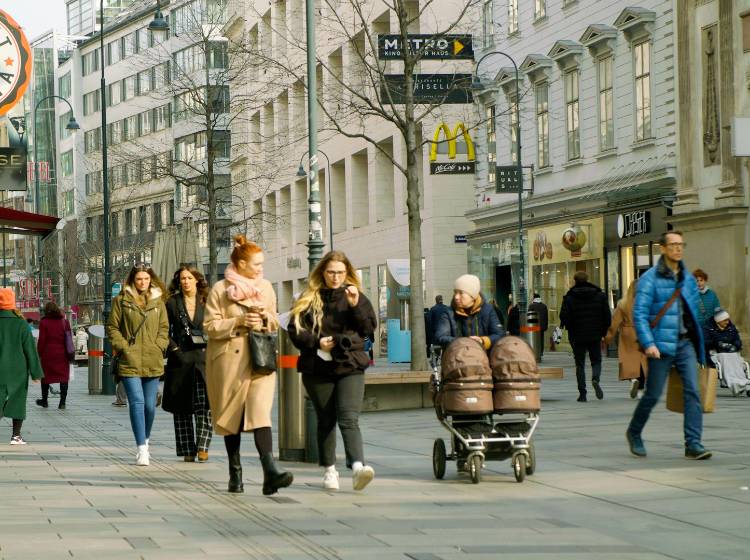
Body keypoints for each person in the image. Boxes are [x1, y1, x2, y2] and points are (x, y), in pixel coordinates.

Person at [204, 235, 292, 495]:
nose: (260, 269)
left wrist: (265, 318)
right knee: (233, 417)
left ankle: (270, 471)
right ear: (240, 263)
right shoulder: (220, 289)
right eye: (256, 264)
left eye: (262, 264)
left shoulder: (265, 287)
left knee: (260, 412)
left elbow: (275, 321)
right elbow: (209, 326)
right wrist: (239, 322)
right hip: (229, 362)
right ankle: (235, 471)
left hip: (259, 360)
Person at [288, 250, 378, 492]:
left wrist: (355, 305)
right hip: (318, 367)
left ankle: (358, 467)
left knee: (349, 418)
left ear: (347, 273)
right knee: (326, 419)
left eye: (340, 272)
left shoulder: (357, 297)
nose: (336, 277)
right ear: (322, 273)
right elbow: (295, 331)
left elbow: (369, 328)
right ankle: (329, 469)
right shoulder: (308, 298)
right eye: (331, 272)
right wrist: (316, 343)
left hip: (350, 365)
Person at [627, 230, 711, 460]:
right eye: (672, 244)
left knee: (693, 392)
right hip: (661, 346)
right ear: (662, 248)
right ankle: (634, 432)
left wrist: (702, 344)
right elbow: (640, 314)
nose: (677, 248)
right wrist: (648, 343)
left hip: (685, 345)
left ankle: (693, 443)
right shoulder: (649, 279)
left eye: (680, 244)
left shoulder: (688, 280)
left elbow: (694, 314)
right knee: (653, 395)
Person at [106, 264, 169, 466]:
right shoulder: (121, 301)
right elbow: (112, 327)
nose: (143, 282)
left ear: (151, 280)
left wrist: (160, 345)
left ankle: (146, 440)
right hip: (129, 360)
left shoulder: (158, 302)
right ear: (133, 280)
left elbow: (164, 328)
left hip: (152, 358)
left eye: (146, 279)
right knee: (137, 402)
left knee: (150, 406)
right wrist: (123, 347)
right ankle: (141, 449)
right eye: (139, 279)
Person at [163, 266, 213, 463]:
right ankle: (187, 449)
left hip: (203, 360)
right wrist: (174, 349)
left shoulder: (207, 301)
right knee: (182, 408)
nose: (186, 281)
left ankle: (202, 447)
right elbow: (163, 330)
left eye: (189, 278)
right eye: (182, 278)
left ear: (197, 280)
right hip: (181, 360)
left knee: (205, 405)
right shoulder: (172, 303)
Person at [559, 271, 611, 402]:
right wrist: (603, 332)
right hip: (595, 334)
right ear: (588, 279)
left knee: (580, 364)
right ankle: (595, 378)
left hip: (577, 335)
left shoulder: (569, 297)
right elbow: (607, 317)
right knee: (596, 360)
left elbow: (564, 317)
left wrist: (571, 329)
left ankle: (582, 394)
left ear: (574, 281)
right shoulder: (600, 296)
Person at [0, 288, 43, 444]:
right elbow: (30, 350)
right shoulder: (21, 324)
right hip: (17, 370)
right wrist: (36, 373)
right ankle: (16, 435)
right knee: (17, 400)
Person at [433, 274, 504, 350]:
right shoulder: (448, 312)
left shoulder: (488, 310)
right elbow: (440, 337)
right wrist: (463, 342)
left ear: (472, 295)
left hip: (483, 359)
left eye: (461, 293)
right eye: (455, 292)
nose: (456, 297)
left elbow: (499, 335)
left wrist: (482, 341)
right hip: (457, 358)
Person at [605, 280, 648, 400]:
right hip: (643, 332)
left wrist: (608, 337)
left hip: (627, 334)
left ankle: (633, 379)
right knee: (642, 361)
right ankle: (640, 390)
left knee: (628, 360)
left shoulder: (623, 304)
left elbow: (615, 322)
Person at [36, 302, 73, 410]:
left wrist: (39, 353)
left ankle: (44, 401)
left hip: (48, 354)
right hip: (62, 354)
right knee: (63, 378)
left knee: (45, 377)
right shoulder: (64, 322)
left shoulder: (44, 322)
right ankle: (62, 402)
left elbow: (42, 340)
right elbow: (69, 338)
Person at [528, 293, 549, 361]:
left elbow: (529, 316)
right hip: (542, 326)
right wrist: (545, 326)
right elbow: (546, 317)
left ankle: (535, 352)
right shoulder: (544, 306)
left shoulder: (531, 306)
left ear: (534, 298)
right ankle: (540, 352)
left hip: (534, 326)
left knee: (534, 339)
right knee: (541, 339)